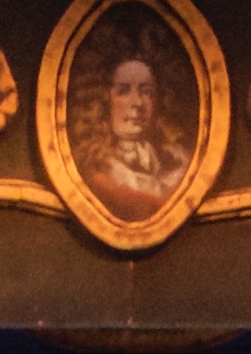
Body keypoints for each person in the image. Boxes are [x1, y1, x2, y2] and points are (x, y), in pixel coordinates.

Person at [76, 33, 192, 216]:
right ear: (103, 100)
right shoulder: (93, 169)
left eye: (147, 92)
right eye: (123, 91)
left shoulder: (179, 162)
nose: (137, 103)